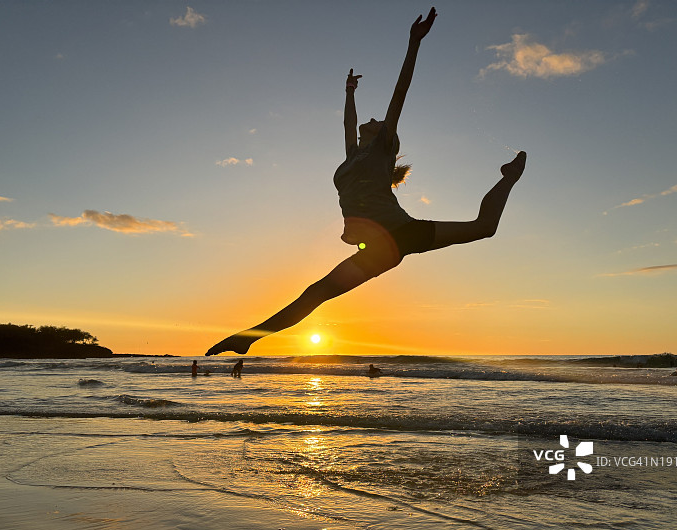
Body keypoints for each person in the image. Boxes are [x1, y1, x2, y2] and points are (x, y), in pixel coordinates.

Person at [206, 7, 526, 356]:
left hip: (403, 232)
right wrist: (349, 91)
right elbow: (348, 124)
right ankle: (248, 338)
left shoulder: (379, 150)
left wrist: (414, 43)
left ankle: (508, 178)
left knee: (484, 227)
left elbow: (399, 93)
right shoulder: (352, 157)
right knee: (315, 293)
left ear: (386, 136)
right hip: (374, 248)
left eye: (378, 121)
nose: (373, 119)